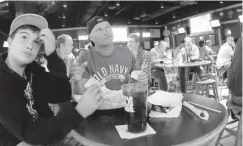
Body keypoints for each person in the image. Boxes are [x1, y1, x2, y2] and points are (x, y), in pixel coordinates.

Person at [0, 13, 103, 145]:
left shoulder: (32, 70)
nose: (30, 45)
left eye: (36, 41)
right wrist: (79, 111)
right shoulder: (3, 80)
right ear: (10, 41)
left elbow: (62, 94)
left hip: (49, 135)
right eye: (24, 37)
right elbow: (31, 134)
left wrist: (52, 56)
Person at [72, 16, 148, 110]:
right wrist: (77, 81)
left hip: (127, 108)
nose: (106, 32)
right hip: (97, 112)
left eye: (108, 27)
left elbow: (136, 78)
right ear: (91, 37)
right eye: (99, 29)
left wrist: (142, 78)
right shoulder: (84, 57)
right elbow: (80, 93)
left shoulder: (127, 52)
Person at [227, 36, 242, 106]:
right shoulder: (228, 47)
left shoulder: (240, 41)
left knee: (233, 65)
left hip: (235, 95)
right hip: (240, 97)